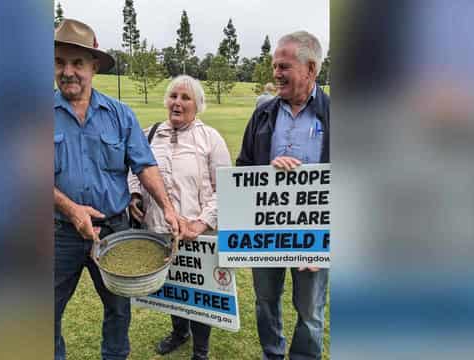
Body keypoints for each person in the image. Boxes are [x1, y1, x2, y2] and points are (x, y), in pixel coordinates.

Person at [53, 19, 186, 360]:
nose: (68, 71)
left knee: (118, 311)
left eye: (77, 63)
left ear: (94, 67)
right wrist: (72, 209)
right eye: (59, 62)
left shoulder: (120, 115)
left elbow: (144, 165)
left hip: (115, 229)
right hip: (58, 232)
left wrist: (168, 208)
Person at [237, 31, 330, 360]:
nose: (276, 73)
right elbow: (243, 166)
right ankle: (272, 354)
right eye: (274, 66)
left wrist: (325, 243)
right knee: (265, 300)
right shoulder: (263, 112)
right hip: (265, 231)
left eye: (284, 66)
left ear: (311, 69)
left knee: (309, 311)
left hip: (314, 234)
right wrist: (267, 172)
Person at [128, 75, 231, 360]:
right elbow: (135, 172)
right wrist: (134, 195)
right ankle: (179, 332)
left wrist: (203, 222)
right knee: (172, 285)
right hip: (159, 230)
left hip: (198, 234)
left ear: (198, 104)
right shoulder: (149, 134)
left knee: (199, 290)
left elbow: (225, 188)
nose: (177, 102)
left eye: (185, 98)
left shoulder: (210, 138)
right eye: (173, 96)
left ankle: (201, 350)